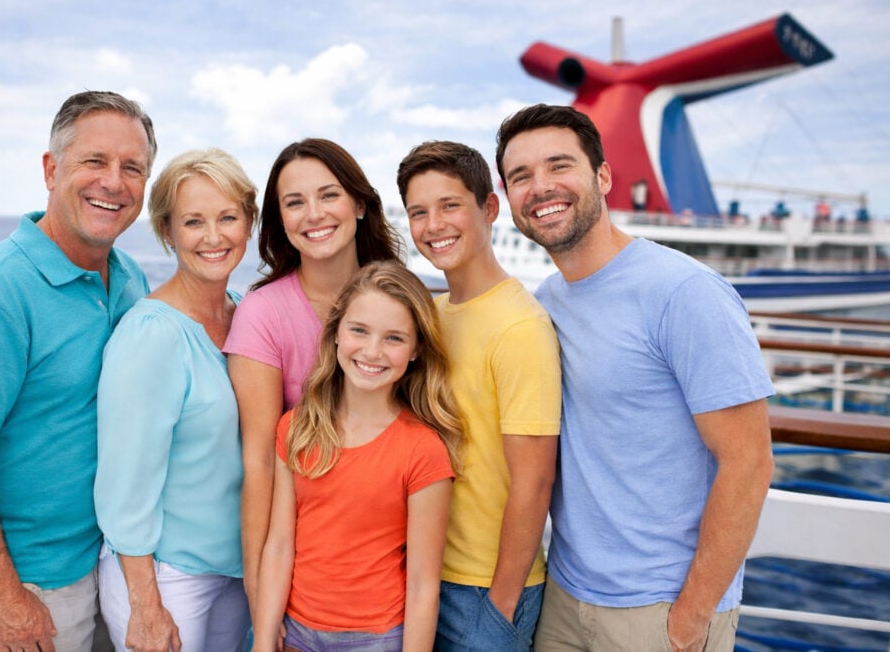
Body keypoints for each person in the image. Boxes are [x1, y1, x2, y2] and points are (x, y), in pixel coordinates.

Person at [494, 104, 775, 652]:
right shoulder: (546, 302)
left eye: (559, 166)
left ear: (602, 176)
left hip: (660, 610)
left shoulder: (684, 292)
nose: (540, 186)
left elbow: (750, 462)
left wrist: (690, 617)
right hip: (565, 599)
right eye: (520, 176)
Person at [0, 91, 157, 650]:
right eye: (94, 161)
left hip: (103, 564)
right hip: (26, 589)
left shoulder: (128, 279)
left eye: (132, 167)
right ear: (51, 169)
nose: (113, 182)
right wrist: (5, 597)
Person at [222, 138, 404, 619]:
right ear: (280, 220)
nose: (314, 214)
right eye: (294, 202)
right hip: (307, 568)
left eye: (329, 195)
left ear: (359, 203)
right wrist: (260, 590)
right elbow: (259, 460)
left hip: (395, 563)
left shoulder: (400, 299)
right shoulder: (263, 314)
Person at [397, 140, 562, 651]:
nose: (434, 225)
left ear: (489, 208)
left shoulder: (520, 326)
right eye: (418, 212)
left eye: (450, 206)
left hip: (484, 592)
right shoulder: (432, 313)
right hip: (421, 573)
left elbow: (533, 483)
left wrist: (501, 606)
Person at [252, 261, 463, 652]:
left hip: (377, 639)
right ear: (335, 333)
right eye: (359, 330)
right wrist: (263, 641)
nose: (372, 351)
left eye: (394, 338)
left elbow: (421, 584)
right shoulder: (296, 428)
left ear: (416, 350)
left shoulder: (423, 450)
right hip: (296, 633)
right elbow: (280, 545)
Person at [94, 149, 258, 651]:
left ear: (249, 222)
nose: (213, 237)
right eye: (193, 221)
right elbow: (125, 486)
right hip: (166, 578)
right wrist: (147, 604)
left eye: (228, 217)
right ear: (167, 231)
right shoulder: (151, 334)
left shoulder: (245, 314)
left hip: (235, 568)